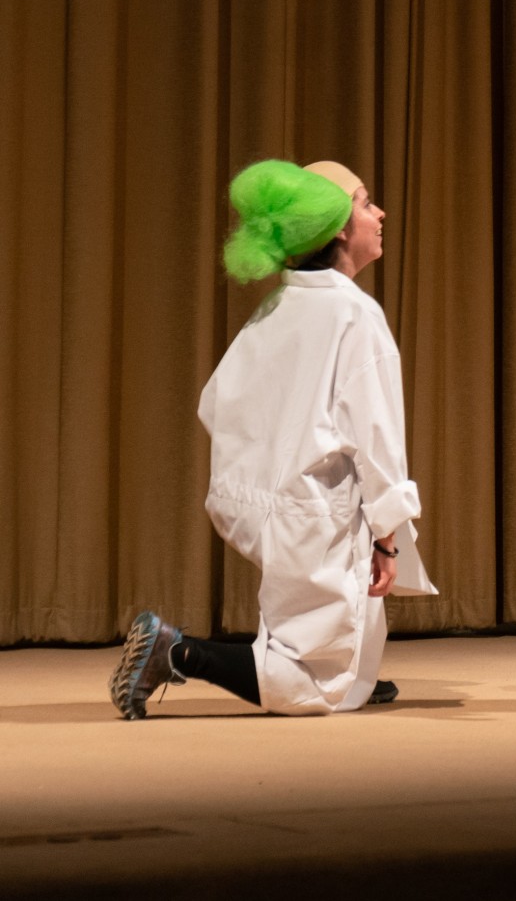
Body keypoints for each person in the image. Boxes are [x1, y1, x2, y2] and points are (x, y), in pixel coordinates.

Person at [108, 160, 437, 719]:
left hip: (271, 505)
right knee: (312, 689)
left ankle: (350, 672)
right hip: (316, 511)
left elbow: (219, 401)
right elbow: (377, 435)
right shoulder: (355, 314)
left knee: (340, 644)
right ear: (335, 225)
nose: (378, 213)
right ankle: (176, 651)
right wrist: (387, 535)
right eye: (363, 202)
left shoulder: (280, 305)